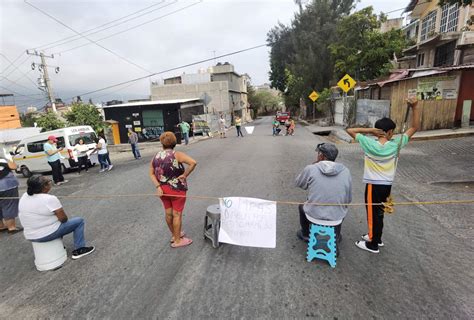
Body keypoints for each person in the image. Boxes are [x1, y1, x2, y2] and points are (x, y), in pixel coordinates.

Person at [346, 98, 420, 254]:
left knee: (373, 213)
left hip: (373, 185)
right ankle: (376, 237)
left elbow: (350, 130)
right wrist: (415, 107)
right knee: (379, 212)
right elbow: (415, 127)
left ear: (377, 131)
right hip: (387, 185)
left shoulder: (369, 143)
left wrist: (369, 131)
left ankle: (373, 244)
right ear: (391, 132)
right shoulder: (396, 144)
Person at [18, 175, 95, 259]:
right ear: (45, 186)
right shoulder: (49, 199)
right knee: (79, 221)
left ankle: (60, 246)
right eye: (49, 181)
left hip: (30, 235)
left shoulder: (25, 196)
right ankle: (80, 249)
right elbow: (63, 219)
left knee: (55, 222)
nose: (51, 182)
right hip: (45, 234)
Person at [295, 143, 352, 255]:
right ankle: (335, 237)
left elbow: (299, 183)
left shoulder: (311, 168)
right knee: (341, 208)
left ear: (321, 156)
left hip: (313, 215)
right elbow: (348, 199)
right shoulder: (346, 171)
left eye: (318, 154)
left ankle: (306, 234)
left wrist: (312, 167)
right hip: (336, 218)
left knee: (302, 206)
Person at [149, 132, 197, 248]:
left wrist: (158, 186)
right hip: (177, 190)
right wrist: (185, 175)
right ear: (174, 142)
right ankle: (178, 240)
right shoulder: (177, 154)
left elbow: (151, 173)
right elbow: (193, 163)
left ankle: (175, 235)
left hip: (163, 190)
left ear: (162, 143)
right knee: (177, 214)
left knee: (168, 213)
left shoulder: (156, 156)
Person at [0, 158, 23, 234]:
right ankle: (11, 227)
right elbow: (14, 166)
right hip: (5, 186)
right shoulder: (1, 160)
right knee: (9, 204)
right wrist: (9, 159)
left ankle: (1, 226)